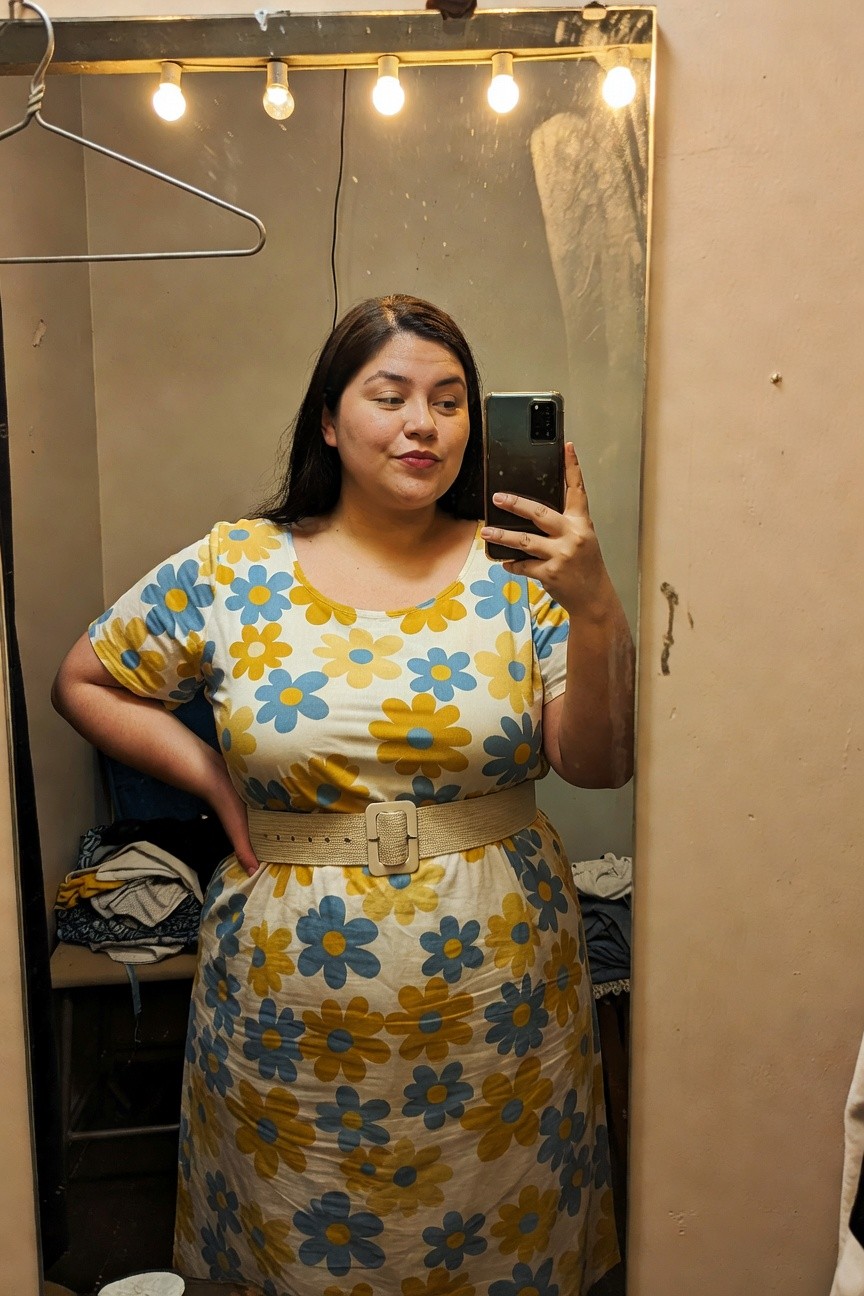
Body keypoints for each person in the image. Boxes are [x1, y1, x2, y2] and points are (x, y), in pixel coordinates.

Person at [52, 294, 634, 1295]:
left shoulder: (521, 570)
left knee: (500, 1252)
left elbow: (598, 761)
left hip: (502, 1011)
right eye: (392, 394)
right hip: (287, 1018)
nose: (424, 424)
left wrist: (594, 606)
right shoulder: (237, 564)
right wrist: (214, 784)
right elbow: (86, 679)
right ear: (329, 417)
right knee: (299, 1256)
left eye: (451, 402)